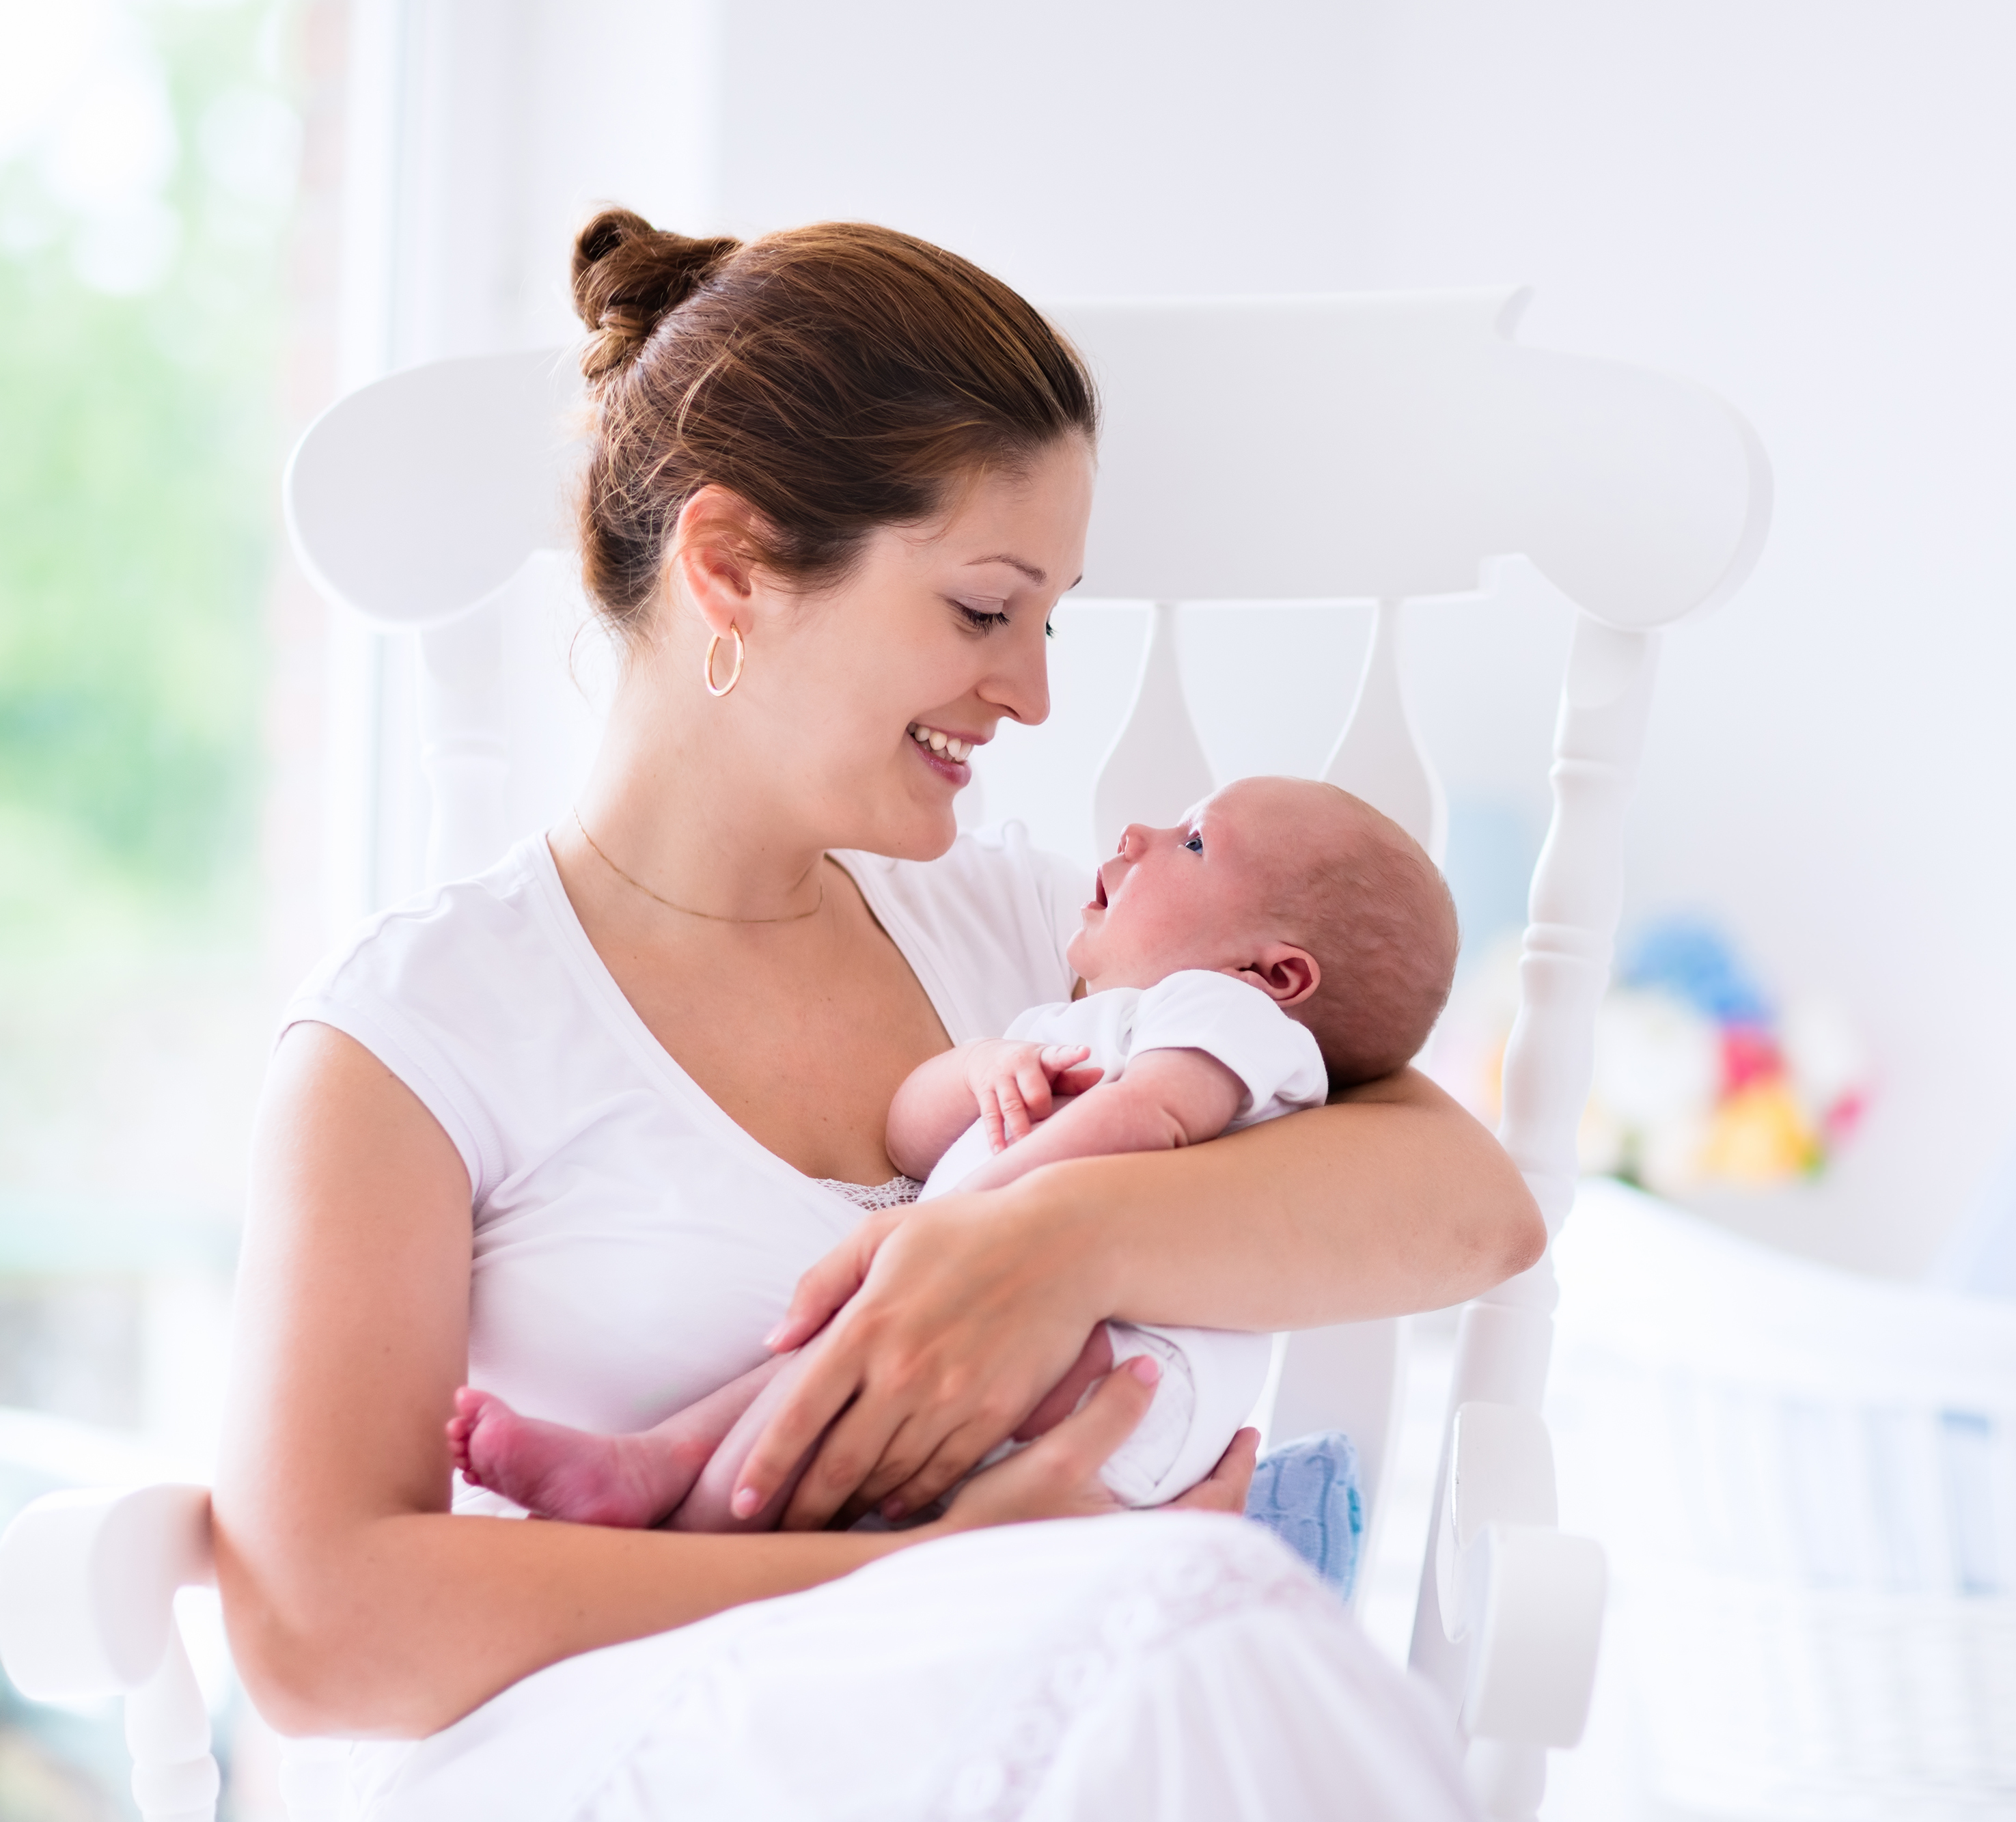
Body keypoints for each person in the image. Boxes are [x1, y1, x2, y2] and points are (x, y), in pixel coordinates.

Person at [212, 209, 1539, 1820]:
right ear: (732, 566)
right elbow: (320, 1633)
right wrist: (928, 1571)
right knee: (1202, 1633)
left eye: (1049, 622)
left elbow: (1468, 1207)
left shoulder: (1034, 933)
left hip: (1035, 1725)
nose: (1034, 692)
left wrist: (1051, 1245)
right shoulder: (417, 1034)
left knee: (1198, 1647)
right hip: (612, 1752)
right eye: (985, 610)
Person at [444, 776, 1457, 1533]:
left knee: (853, 1355)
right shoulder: (1098, 1021)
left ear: (1274, 970)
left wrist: (959, 1222)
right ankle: (659, 1475)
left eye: (1195, 843)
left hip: (1123, 1372)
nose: (1140, 833)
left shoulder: (1227, 1022)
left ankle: (672, 1487)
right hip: (1090, 1376)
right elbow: (909, 1133)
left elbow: (1153, 1123)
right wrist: (980, 1070)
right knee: (842, 1367)